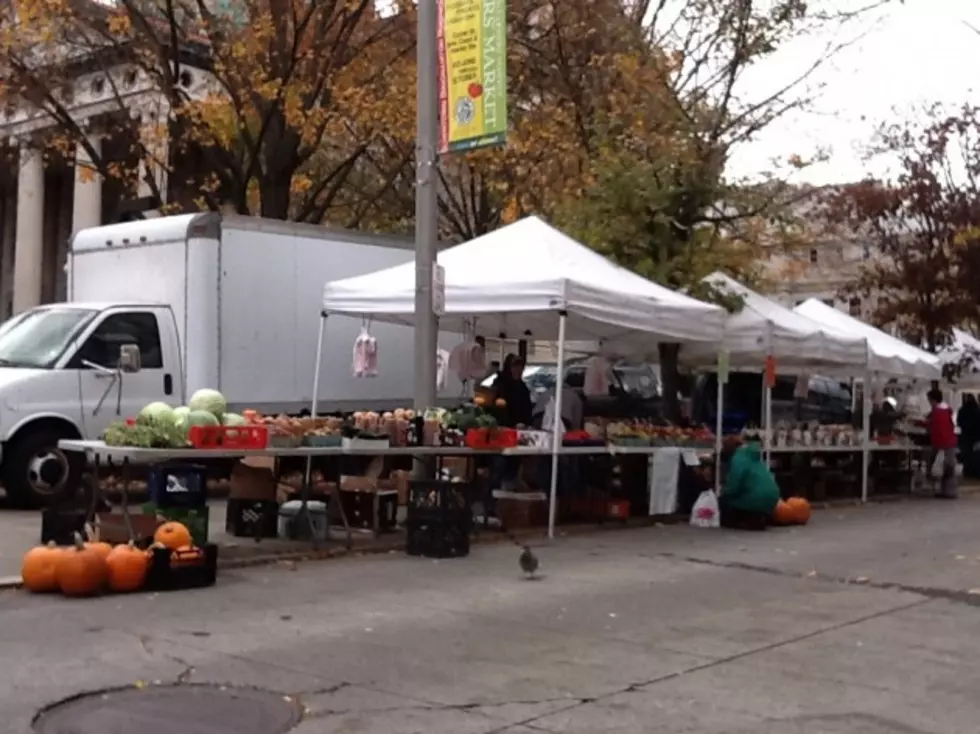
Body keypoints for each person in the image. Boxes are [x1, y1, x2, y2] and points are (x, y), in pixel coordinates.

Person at [719, 436, 780, 530]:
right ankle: (758, 518)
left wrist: (725, 491)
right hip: (773, 497)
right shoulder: (754, 457)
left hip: (755, 498)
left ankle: (740, 521)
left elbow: (734, 484)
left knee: (723, 501)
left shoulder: (738, 458)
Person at [927, 388, 958, 499]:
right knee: (949, 467)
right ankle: (950, 491)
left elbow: (933, 427)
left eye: (929, 400)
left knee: (938, 467)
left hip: (940, 443)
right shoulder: (948, 410)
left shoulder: (936, 412)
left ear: (933, 400)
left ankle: (942, 490)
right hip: (950, 442)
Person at [957, 394, 980, 479]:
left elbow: (959, 422)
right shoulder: (977, 410)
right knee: (975, 455)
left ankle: (967, 471)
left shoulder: (962, 410)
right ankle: (975, 471)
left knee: (966, 454)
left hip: (965, 435)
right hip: (976, 436)